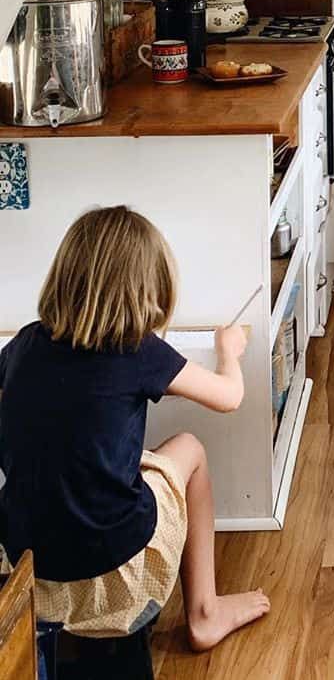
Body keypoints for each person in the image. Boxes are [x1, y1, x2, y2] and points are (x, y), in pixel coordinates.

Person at [0, 206, 270, 651]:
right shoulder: (138, 350)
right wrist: (229, 351)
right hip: (117, 570)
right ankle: (204, 612)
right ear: (145, 289)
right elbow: (230, 397)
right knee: (189, 448)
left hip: (29, 568)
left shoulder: (25, 344)